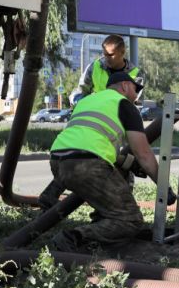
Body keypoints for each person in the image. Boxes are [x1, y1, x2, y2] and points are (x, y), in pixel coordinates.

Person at [43, 72, 160, 252]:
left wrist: (128, 163)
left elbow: (90, 141)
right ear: (124, 86)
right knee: (131, 220)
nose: (137, 95)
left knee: (99, 177)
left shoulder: (87, 101)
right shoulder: (124, 104)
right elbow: (143, 153)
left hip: (58, 161)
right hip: (87, 165)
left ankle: (55, 197)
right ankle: (75, 237)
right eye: (135, 90)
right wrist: (163, 185)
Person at [70, 34, 145, 105]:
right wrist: (76, 101)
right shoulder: (94, 67)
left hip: (121, 117)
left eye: (110, 55)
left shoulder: (136, 74)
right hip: (97, 115)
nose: (107, 58)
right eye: (104, 54)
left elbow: (137, 104)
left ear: (122, 52)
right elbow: (81, 92)